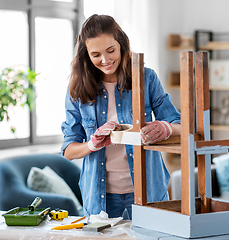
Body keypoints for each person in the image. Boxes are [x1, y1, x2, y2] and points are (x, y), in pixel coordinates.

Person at [61, 14, 181, 220]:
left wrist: (165, 128)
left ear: (121, 44)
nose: (105, 60)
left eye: (110, 51)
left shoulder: (146, 78)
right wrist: (92, 144)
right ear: (86, 55)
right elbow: (68, 151)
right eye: (96, 54)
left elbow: (180, 125)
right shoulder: (77, 90)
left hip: (148, 189)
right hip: (100, 196)